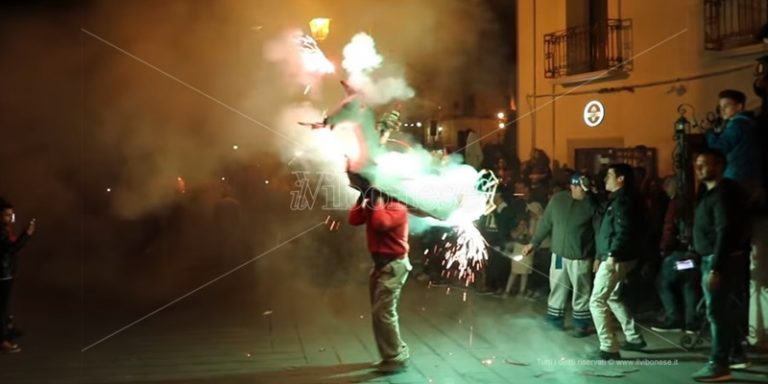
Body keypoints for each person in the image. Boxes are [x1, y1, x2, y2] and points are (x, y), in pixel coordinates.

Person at [690, 149, 751, 382]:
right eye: (697, 164)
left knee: (716, 312)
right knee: (723, 310)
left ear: (720, 165)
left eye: (704, 164)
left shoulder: (724, 193)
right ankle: (736, 354)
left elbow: (724, 231)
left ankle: (719, 363)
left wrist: (715, 267)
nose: (699, 169)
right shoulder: (707, 192)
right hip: (713, 258)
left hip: (719, 261)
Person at [522, 172, 598, 337]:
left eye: (586, 188)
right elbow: (545, 223)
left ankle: (581, 324)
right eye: (581, 188)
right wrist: (533, 243)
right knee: (557, 286)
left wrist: (599, 257)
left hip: (581, 257)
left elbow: (599, 232)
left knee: (581, 290)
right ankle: (555, 319)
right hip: (558, 256)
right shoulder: (558, 200)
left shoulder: (592, 204)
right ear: (573, 186)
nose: (584, 191)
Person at [348, 185, 411, 374]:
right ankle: (392, 355)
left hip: (394, 266)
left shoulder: (398, 206)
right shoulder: (376, 205)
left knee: (383, 313)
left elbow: (380, 223)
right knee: (379, 314)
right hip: (380, 266)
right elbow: (353, 219)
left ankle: (396, 357)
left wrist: (376, 201)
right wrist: (362, 198)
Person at [589, 164, 646, 360]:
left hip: (616, 258)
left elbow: (623, 231)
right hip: (619, 256)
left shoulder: (622, 201)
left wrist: (611, 254)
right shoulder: (618, 200)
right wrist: (600, 256)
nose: (605, 179)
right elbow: (604, 228)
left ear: (621, 179)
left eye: (609, 176)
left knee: (597, 301)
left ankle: (609, 348)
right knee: (612, 297)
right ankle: (634, 338)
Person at [651, 176, 700, 334]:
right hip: (694, 254)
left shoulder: (675, 204)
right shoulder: (693, 202)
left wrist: (664, 248)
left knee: (662, 281)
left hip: (678, 254)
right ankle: (692, 322)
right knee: (689, 283)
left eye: (667, 187)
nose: (665, 190)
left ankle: (674, 318)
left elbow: (669, 228)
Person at [0, 199, 34, 353]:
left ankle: (7, 329)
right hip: (1, 274)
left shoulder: (4, 228)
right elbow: (11, 249)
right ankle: (2, 340)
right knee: (1, 308)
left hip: (6, 273)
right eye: (7, 215)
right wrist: (26, 235)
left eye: (11, 214)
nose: (10, 218)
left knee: (4, 306)